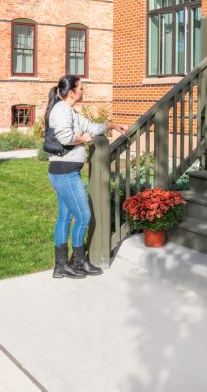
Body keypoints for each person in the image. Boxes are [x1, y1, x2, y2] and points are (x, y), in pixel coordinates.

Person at [45, 75, 127, 279]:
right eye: (81, 88)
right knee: (83, 216)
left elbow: (91, 125)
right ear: (72, 92)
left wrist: (112, 125)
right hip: (65, 173)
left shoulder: (68, 110)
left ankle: (61, 266)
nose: (83, 91)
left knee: (65, 217)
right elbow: (65, 137)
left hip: (63, 171)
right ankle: (78, 261)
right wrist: (84, 139)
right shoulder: (62, 110)